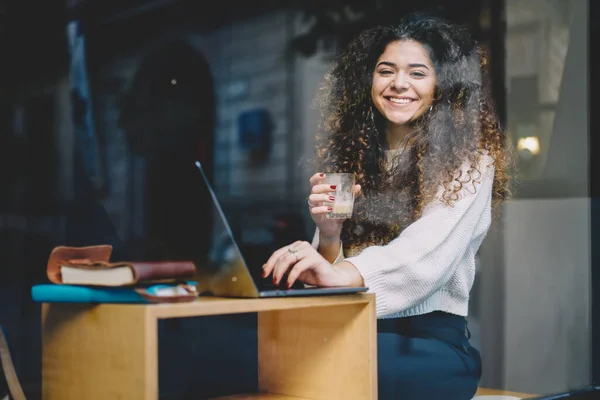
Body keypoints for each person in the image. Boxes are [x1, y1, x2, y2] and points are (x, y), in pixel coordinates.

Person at [262, 12, 514, 400]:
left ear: (441, 85)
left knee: (306, 365)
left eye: (417, 73)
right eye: (386, 70)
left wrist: (339, 271)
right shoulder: (352, 158)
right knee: (267, 353)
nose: (399, 84)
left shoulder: (471, 159)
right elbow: (334, 278)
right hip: (354, 328)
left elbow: (424, 258)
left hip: (429, 344)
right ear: (370, 81)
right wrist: (329, 235)